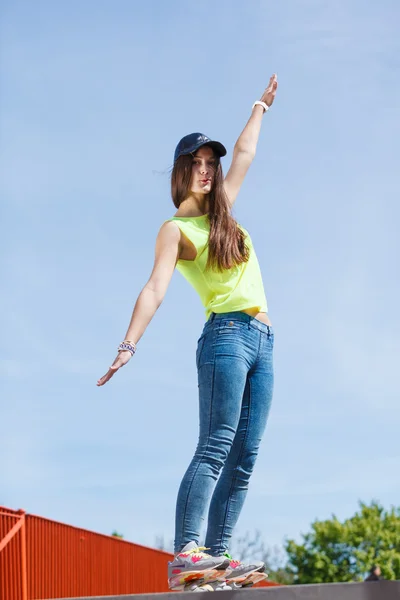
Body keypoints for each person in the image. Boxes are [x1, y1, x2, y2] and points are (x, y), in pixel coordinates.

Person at [97, 74, 278, 591]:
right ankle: (186, 555)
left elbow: (243, 155)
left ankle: (216, 560)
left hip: (264, 341)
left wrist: (259, 108)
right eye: (194, 165)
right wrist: (128, 345)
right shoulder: (176, 230)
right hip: (225, 338)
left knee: (246, 456)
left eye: (209, 164)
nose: (205, 171)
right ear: (179, 174)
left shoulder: (223, 213)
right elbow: (154, 289)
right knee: (216, 444)